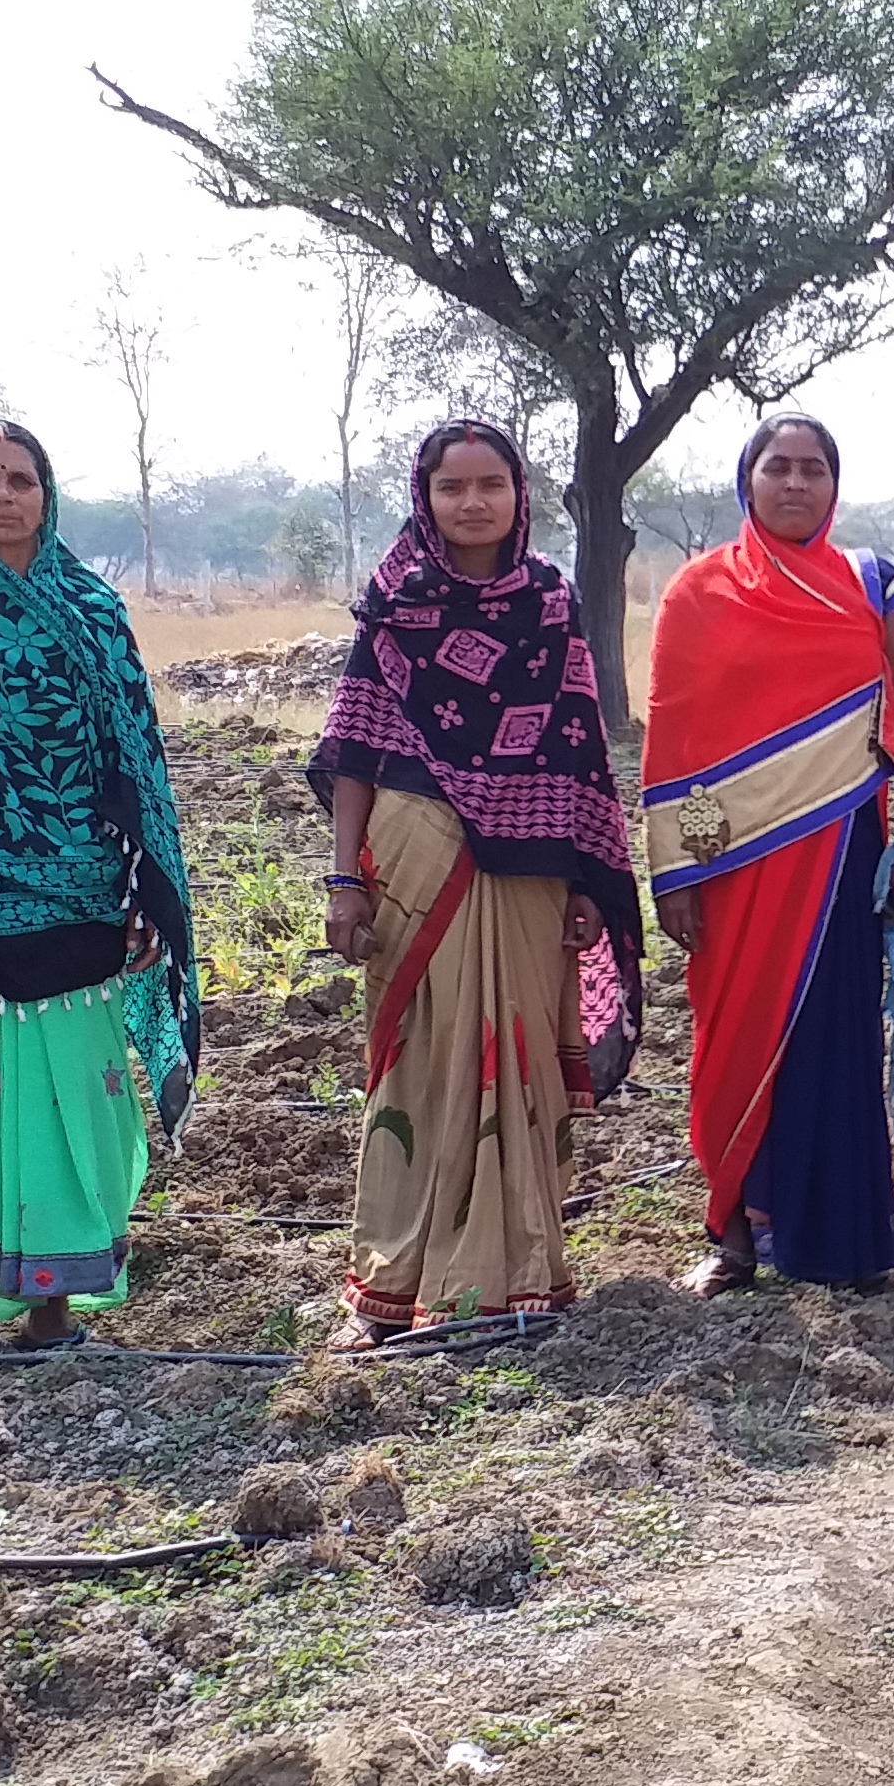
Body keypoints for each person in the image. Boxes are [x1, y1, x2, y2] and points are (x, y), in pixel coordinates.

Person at [0, 420, 202, 1345]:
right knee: (13, 1086)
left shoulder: (93, 610)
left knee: (90, 1088)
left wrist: (144, 892)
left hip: (92, 888)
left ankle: (85, 1248)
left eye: (21, 478)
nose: (3, 494)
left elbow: (137, 760)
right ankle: (44, 1291)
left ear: (47, 496)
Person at [309, 421, 647, 1337]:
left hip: (534, 860)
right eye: (452, 487)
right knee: (420, 1058)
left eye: (489, 484)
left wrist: (585, 882)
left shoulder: (547, 601)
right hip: (417, 851)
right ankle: (392, 1279)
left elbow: (578, 747)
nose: (471, 503)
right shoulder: (395, 601)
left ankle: (519, 1270)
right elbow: (354, 752)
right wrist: (345, 880)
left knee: (523, 1058)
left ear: (518, 492)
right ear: (424, 496)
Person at [640, 413, 894, 1290]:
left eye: (814, 469)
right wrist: (673, 871)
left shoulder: (875, 583)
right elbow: (675, 736)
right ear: (748, 480)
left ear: (834, 486)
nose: (796, 483)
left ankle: (845, 1245)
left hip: (843, 846)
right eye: (779, 467)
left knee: (836, 1036)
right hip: (730, 863)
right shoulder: (697, 593)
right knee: (733, 1036)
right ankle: (734, 1233)